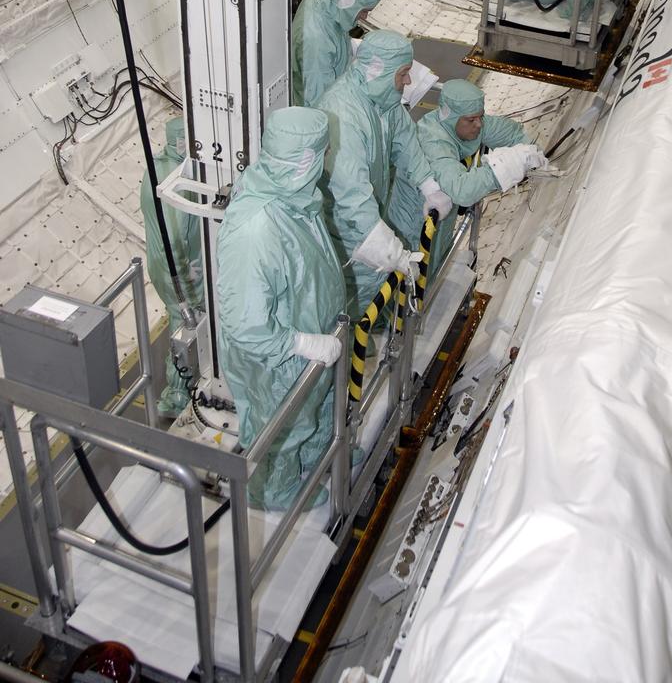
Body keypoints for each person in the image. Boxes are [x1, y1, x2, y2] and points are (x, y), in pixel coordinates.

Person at [216, 107, 346, 511]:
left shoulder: (295, 195)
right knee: (283, 426)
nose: (328, 160)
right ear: (306, 159)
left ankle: (318, 456)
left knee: (312, 412)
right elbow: (246, 326)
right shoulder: (256, 228)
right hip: (280, 362)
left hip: (310, 341)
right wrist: (303, 342)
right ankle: (275, 493)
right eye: (323, 153)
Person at [318, 30, 452, 316]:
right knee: (356, 307)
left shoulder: (381, 97)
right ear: (378, 70)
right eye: (404, 73)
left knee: (377, 298)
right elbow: (352, 196)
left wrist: (429, 185)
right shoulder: (342, 116)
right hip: (348, 233)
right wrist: (389, 251)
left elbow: (405, 141)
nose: (408, 81)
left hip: (366, 221)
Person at [386, 79, 545, 272]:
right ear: (453, 117)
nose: (478, 124)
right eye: (471, 120)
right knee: (409, 280)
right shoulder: (433, 141)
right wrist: (503, 168)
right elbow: (462, 191)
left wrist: (528, 151)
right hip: (412, 225)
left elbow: (512, 133)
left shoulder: (467, 123)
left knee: (434, 269)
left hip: (441, 220)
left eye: (481, 116)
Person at [140, 118, 204, 416]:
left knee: (180, 319)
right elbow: (176, 236)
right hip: (177, 271)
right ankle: (178, 394)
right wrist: (187, 274)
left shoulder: (156, 167)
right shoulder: (177, 180)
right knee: (186, 323)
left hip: (165, 264)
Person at [291, 0, 383, 106]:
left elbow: (335, 37)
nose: (365, 17)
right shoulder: (316, 42)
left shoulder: (327, 2)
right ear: (350, 2)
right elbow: (319, 103)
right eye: (364, 10)